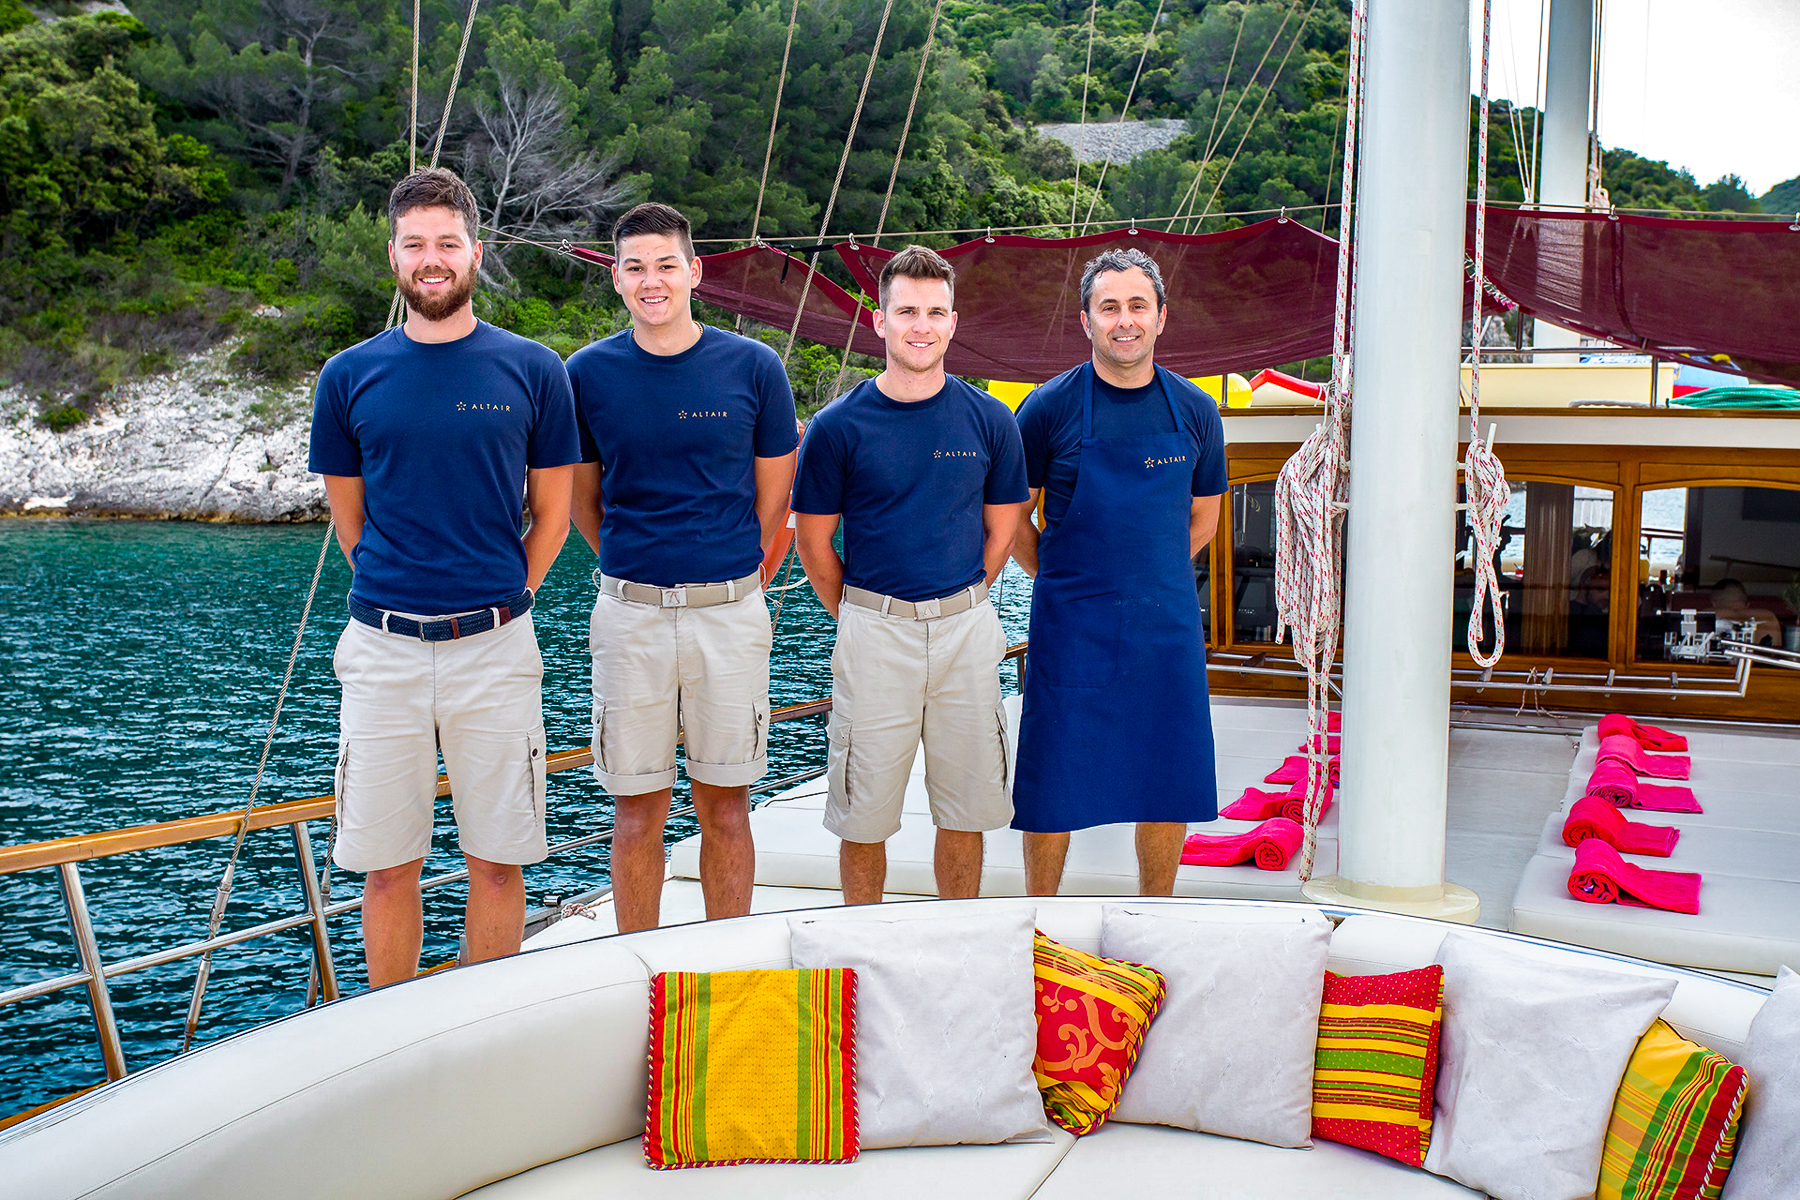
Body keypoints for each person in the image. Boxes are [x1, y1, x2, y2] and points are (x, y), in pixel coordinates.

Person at [309, 168, 579, 987]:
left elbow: (554, 518)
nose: (433, 259)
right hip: (382, 652)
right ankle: (390, 1036)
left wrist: (504, 599)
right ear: (393, 254)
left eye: (448, 244)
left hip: (495, 649)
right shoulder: (348, 376)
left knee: (497, 861)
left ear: (476, 253)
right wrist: (404, 594)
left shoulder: (533, 370)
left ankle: (480, 1029)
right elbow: (350, 523)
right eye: (416, 245)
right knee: (387, 868)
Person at [567, 202, 799, 932]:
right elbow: (581, 500)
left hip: (729, 616)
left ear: (695, 272)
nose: (651, 280)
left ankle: (723, 957)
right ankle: (635, 963)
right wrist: (636, 571)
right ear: (617, 279)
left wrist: (727, 577)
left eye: (666, 263)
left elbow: (774, 499)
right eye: (634, 266)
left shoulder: (755, 369)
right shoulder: (586, 375)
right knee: (636, 812)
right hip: (628, 614)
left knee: (726, 806)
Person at [792, 246, 1028, 904]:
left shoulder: (989, 419)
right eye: (906, 312)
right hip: (874, 631)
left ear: (953, 323)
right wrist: (863, 615)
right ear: (880, 321)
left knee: (967, 811)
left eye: (933, 313)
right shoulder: (838, 427)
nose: (919, 326)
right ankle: (865, 947)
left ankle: (956, 944)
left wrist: (964, 597)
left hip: (964, 630)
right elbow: (813, 543)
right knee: (862, 816)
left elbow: (1002, 527)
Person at [1010, 247, 1227, 897]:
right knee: (1054, 779)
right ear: (1087, 321)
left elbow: (1204, 520)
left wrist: (1147, 574)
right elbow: (1013, 520)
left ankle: (1154, 911)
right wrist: (1061, 575)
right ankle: (1038, 920)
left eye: (1138, 306)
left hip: (1165, 628)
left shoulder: (1195, 412)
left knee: (1167, 777)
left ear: (1162, 317)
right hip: (1071, 626)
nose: (1124, 320)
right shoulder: (1045, 410)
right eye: (1109, 307)